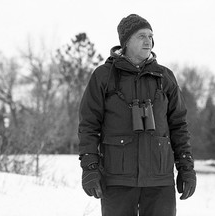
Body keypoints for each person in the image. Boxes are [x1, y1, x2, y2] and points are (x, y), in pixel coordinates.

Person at [78, 14, 196, 216]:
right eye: (141, 36)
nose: (148, 40)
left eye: (150, 36)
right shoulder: (103, 76)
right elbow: (89, 124)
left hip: (160, 181)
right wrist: (90, 166)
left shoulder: (165, 77)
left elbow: (179, 125)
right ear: (125, 42)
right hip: (117, 180)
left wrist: (186, 167)